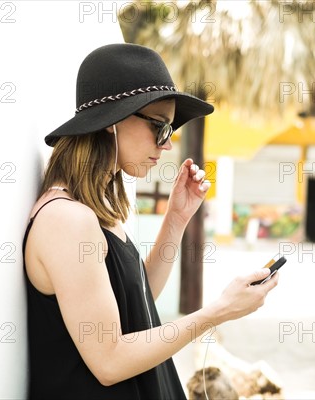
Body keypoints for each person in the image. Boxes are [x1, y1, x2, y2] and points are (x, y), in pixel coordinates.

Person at [22, 43, 279, 399]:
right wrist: (218, 312)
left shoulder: (95, 208)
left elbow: (138, 303)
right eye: (160, 128)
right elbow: (109, 360)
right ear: (113, 122)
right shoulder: (66, 219)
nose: (167, 144)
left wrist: (176, 219)